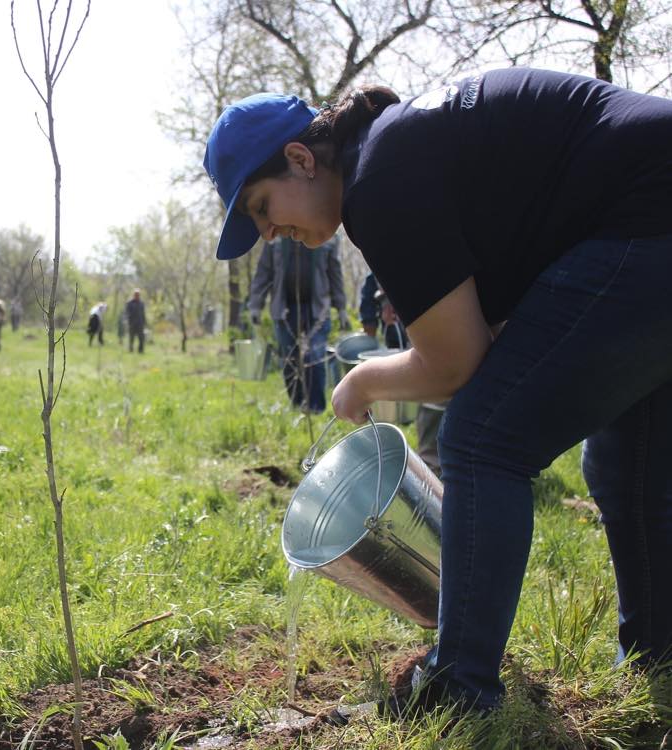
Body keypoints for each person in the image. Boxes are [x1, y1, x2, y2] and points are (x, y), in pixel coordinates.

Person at [204, 69, 672, 713]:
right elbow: (500, 329)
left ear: (299, 159)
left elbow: (457, 362)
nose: (267, 233)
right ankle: (658, 654)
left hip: (647, 221)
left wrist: (364, 377)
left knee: (483, 439)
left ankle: (458, 685)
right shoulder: (399, 148)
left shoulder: (379, 182)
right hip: (648, 222)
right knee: (626, 457)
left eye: (261, 208)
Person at [249, 235, 347, 413]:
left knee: (315, 357)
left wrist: (341, 307)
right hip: (284, 308)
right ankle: (297, 403)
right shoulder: (275, 234)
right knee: (289, 360)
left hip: (317, 308)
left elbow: (335, 272)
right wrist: (256, 305)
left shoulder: (327, 234)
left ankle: (315, 408)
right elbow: (263, 272)